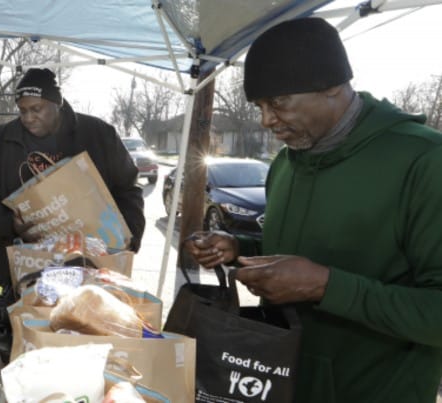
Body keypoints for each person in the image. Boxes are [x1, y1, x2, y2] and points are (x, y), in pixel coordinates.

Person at [185, 18, 442, 403]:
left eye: (278, 102)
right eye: (259, 106)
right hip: (281, 381)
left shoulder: (425, 161)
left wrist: (325, 286)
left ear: (332, 86)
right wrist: (239, 248)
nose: (266, 120)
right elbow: (302, 250)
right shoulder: (286, 164)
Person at [0, 68, 145, 292]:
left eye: (36, 109)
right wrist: (8, 224)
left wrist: (130, 237)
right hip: (25, 270)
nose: (28, 118)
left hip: (92, 269)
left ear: (57, 103)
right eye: (22, 111)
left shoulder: (99, 134)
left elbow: (128, 188)